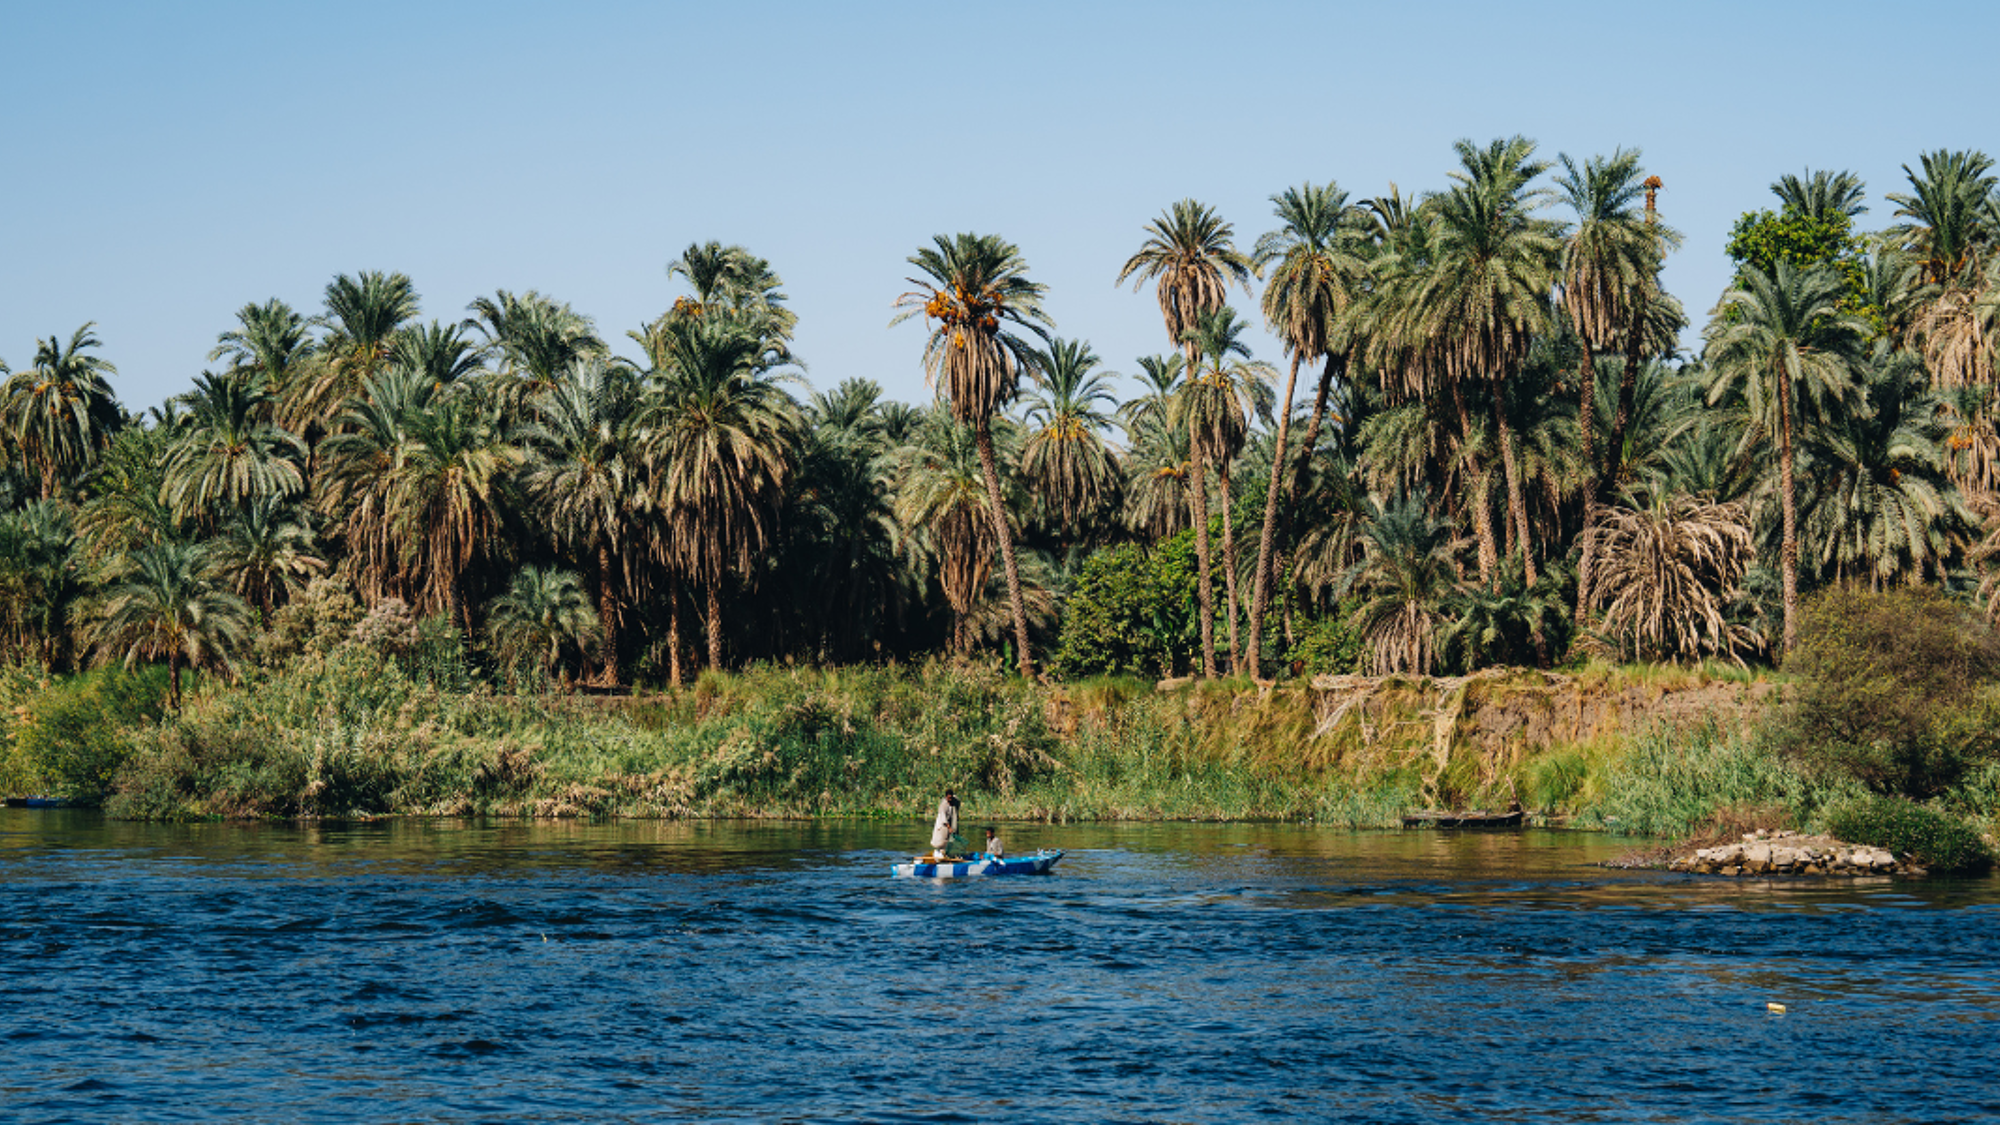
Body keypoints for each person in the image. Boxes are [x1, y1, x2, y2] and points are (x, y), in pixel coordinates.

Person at [929, 790, 961, 857]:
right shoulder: (943, 806)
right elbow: (944, 819)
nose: (950, 799)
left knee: (952, 839)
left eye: (951, 798)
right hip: (942, 824)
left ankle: (949, 853)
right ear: (946, 797)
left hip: (950, 821)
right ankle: (940, 853)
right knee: (942, 839)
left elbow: (957, 802)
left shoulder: (954, 801)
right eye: (949, 798)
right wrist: (949, 828)